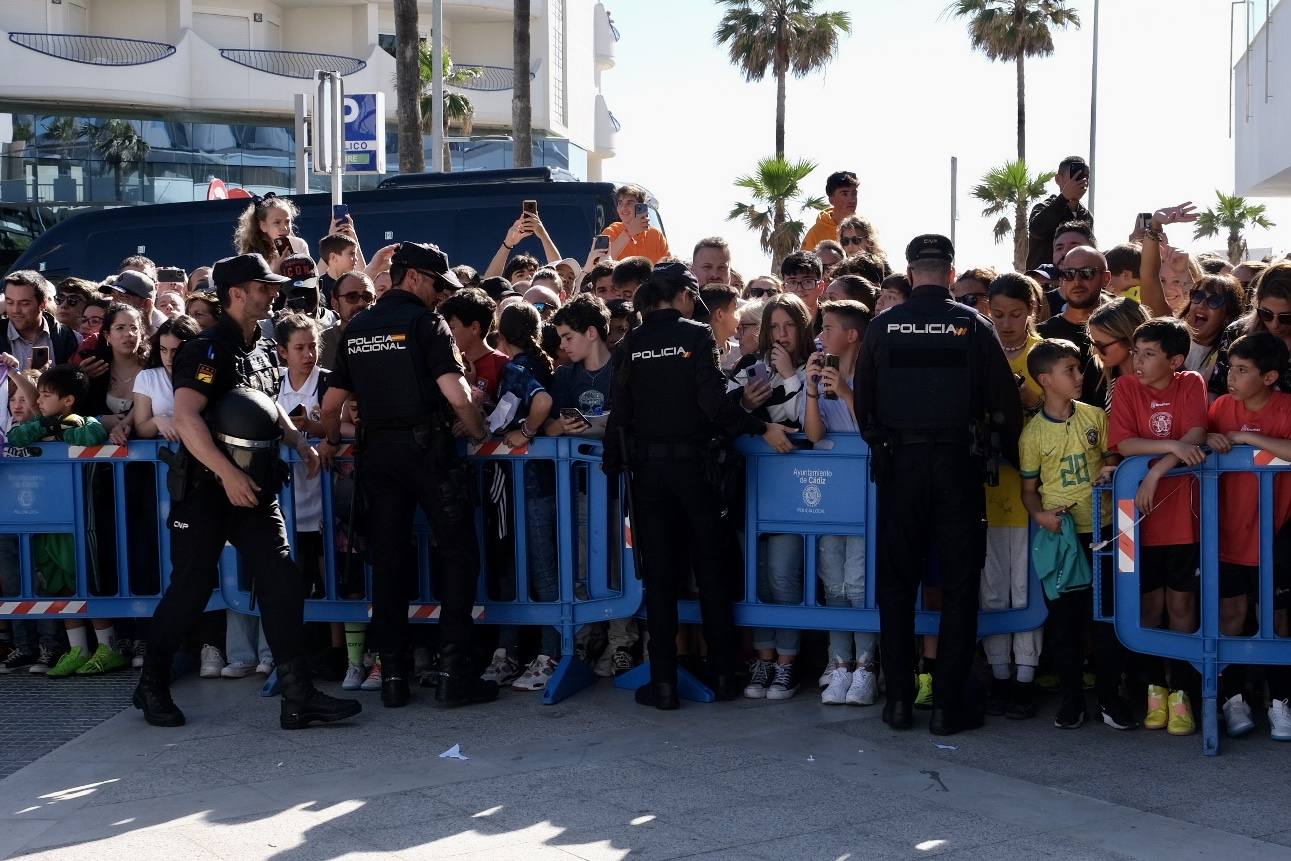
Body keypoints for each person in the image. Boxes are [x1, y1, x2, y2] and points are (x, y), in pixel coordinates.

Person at [134, 252, 360, 730]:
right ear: (237, 293)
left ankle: (298, 696)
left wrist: (299, 442)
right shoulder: (205, 348)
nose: (273, 293)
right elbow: (186, 417)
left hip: (255, 486)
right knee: (190, 590)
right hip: (207, 490)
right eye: (264, 286)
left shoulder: (261, 346)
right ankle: (151, 683)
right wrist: (227, 475)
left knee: (281, 579)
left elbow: (267, 404)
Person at [604, 262, 793, 709]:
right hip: (695, 470)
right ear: (685, 297)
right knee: (711, 571)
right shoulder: (695, 336)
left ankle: (665, 681)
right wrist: (757, 427)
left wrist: (614, 465)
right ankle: (726, 674)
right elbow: (713, 404)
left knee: (662, 578)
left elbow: (620, 413)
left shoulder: (631, 343)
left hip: (648, 475)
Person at [855, 234, 1023, 736]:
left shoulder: (883, 326)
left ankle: (900, 702)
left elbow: (864, 402)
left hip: (900, 465)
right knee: (959, 584)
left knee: (897, 585)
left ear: (910, 274)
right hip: (958, 465)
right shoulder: (973, 324)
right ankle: (948, 705)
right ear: (950, 274)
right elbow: (1003, 406)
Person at [319, 242, 495, 710]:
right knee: (459, 555)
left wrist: (334, 440)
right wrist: (477, 429)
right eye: (437, 285)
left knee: (389, 564)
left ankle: (393, 676)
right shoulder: (425, 322)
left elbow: (330, 405)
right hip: (429, 453)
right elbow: (456, 393)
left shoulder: (358, 326)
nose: (441, 296)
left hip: (378, 456)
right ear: (414, 277)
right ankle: (453, 674)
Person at [1019, 339, 1136, 731]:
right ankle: (1071, 699)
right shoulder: (1032, 434)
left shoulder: (1094, 417)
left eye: (1079, 368)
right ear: (1045, 379)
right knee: (1065, 622)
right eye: (1069, 370)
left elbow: (1111, 457)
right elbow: (1029, 490)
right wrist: (1040, 516)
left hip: (1104, 530)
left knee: (1106, 619)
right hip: (1062, 538)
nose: (1079, 375)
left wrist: (1110, 466)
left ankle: (1109, 697)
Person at [1108, 317, 1209, 736]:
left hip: (1184, 519)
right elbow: (1126, 444)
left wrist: (1157, 471)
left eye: (1149, 354)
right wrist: (1171, 447)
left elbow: (1197, 433)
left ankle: (1182, 693)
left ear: (1176, 360)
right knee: (1147, 607)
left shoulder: (1191, 384)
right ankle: (1152, 692)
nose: (1138, 361)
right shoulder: (1127, 387)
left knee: (1182, 606)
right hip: (1137, 522)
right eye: (1136, 352)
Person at [542, 295, 641, 676]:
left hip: (622, 486)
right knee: (583, 561)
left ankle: (621, 643)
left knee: (622, 566)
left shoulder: (625, 367)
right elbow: (547, 426)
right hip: (582, 488)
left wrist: (605, 425)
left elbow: (635, 417)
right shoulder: (565, 376)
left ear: (591, 332)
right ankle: (584, 640)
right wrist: (562, 427)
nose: (562, 346)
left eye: (567, 337)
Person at [5, 365, 122, 678]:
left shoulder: (85, 422)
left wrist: (63, 428)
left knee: (88, 580)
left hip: (81, 520)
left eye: (45, 395)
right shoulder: (38, 424)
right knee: (62, 583)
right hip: (47, 519)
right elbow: (16, 435)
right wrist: (46, 425)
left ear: (69, 400)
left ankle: (108, 647)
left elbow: (93, 435)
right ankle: (78, 649)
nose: (38, 401)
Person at [1205, 332, 1291, 740]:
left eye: (1242, 370)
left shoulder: (1287, 408)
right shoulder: (1221, 406)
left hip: (1276, 535)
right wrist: (1211, 437)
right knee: (1231, 617)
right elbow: (1201, 438)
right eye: (1231, 368)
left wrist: (1244, 437)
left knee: (1276, 620)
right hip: (1228, 534)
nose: (1232, 377)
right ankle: (1233, 699)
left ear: (1270, 376)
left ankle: (1281, 702)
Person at [727, 293, 812, 700]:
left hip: (795, 493)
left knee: (782, 575)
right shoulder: (748, 368)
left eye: (788, 327)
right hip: (750, 490)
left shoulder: (814, 366)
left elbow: (808, 423)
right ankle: (763, 659)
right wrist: (747, 405)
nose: (780, 336)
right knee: (755, 578)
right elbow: (723, 413)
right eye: (773, 328)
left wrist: (793, 376)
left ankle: (787, 663)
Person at [803, 300, 877, 706]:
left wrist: (847, 392)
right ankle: (840, 664)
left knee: (860, 579)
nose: (821, 335)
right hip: (830, 491)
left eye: (828, 327)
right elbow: (813, 434)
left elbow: (873, 428)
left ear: (852, 335)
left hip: (865, 490)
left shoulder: (872, 375)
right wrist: (812, 391)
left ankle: (867, 667)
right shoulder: (818, 375)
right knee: (832, 578)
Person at [979, 273, 1045, 719]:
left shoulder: (1044, 355)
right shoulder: (978, 349)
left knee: (1025, 584)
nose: (1006, 324)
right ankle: (999, 674)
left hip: (1031, 491)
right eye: (998, 314)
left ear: (1032, 312)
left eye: (1016, 315)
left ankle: (1026, 677)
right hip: (985, 488)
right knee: (991, 585)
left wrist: (1022, 396)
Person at [1209, 261, 1291, 400]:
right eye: (1266, 314)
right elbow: (1215, 390)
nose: (1275, 324)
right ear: (1256, 303)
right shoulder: (1236, 332)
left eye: (1286, 318)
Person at [1040, 246, 1107, 363]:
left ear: (1106, 278)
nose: (1076, 281)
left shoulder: (1121, 330)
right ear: (1061, 280)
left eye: (1086, 273)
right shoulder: (1041, 336)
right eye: (1068, 274)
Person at [1082, 298, 1151, 413]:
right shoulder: (1095, 368)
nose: (1095, 352)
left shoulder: (1162, 373)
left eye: (1102, 345)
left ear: (1130, 339)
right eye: (1093, 343)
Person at [1027, 156, 1093, 271]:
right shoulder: (1044, 207)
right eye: (1076, 176)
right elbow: (1036, 229)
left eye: (1085, 177)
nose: (1083, 181)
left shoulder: (1086, 216)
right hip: (1044, 282)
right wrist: (1064, 198)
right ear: (1058, 179)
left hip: (1073, 280)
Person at [2, 270, 80, 368]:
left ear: (43, 304)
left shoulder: (69, 337)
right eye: (10, 302)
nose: (15, 310)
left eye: (24, 303)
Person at [1181, 274, 1245, 383]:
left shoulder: (1230, 358)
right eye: (1198, 296)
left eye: (1214, 300)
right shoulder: (1168, 337)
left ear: (1228, 315)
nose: (1202, 304)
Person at [234, 193, 310, 271]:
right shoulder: (253, 256)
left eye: (287, 221)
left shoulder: (300, 245)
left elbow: (312, 276)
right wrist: (277, 270)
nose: (284, 227)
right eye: (277, 222)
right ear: (263, 226)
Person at [318, 271, 375, 370]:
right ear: (335, 304)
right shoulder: (320, 344)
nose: (361, 303)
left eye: (367, 297)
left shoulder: (388, 338)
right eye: (352, 297)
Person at [601, 185, 670, 264]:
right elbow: (603, 262)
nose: (623, 207)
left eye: (629, 203)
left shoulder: (656, 235)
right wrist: (629, 232)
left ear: (640, 206)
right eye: (620, 203)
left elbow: (668, 266)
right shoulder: (612, 231)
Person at [802, 170, 859, 251]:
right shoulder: (815, 234)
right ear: (831, 200)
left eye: (854, 193)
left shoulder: (864, 229)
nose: (852, 199)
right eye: (844, 194)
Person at [699, 284, 743, 373]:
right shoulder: (692, 356)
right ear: (719, 314)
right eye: (735, 309)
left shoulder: (742, 353)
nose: (740, 317)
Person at [109, 270, 166, 335]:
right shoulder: (107, 332)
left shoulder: (167, 339)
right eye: (113, 295)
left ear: (146, 304)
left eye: (123, 297)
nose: (114, 302)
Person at [780, 251, 825, 322]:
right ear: (783, 289)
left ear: (821, 287)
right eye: (792, 282)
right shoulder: (775, 321)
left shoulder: (835, 320)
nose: (800, 289)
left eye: (807, 281)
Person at [318, 232, 360, 307]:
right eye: (351, 253)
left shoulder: (358, 284)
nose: (356, 259)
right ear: (333, 257)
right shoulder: (318, 288)